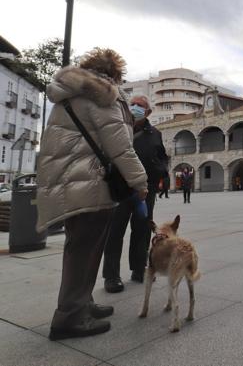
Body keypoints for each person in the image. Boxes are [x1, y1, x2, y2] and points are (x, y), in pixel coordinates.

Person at [36, 48, 148, 340]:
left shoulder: (71, 94)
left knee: (81, 247)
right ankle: (70, 317)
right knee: (83, 251)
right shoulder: (102, 95)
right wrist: (140, 181)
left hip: (72, 182)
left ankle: (81, 303)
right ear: (113, 74)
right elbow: (120, 146)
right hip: (88, 182)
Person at [102, 95, 168, 292]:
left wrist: (161, 173)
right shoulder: (119, 129)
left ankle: (139, 269)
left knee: (142, 230)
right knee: (115, 231)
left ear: (148, 112)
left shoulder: (155, 133)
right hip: (120, 188)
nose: (135, 107)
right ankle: (111, 276)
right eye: (132, 104)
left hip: (146, 189)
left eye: (140, 105)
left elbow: (163, 157)